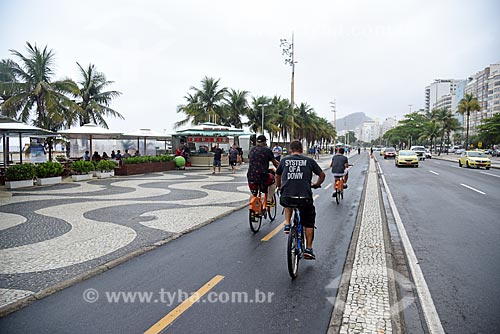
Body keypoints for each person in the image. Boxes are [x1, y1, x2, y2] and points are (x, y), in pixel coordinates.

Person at [276, 140, 325, 260]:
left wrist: (279, 186)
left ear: (290, 150)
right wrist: (316, 184)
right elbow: (322, 174)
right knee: (308, 222)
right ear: (301, 150)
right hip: (305, 198)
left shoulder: (284, 160)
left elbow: (277, 175)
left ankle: (287, 224)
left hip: (287, 197)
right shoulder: (309, 161)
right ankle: (308, 249)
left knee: (287, 198)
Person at [247, 135, 279, 202]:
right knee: (274, 180)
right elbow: (275, 163)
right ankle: (269, 200)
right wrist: (281, 169)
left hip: (250, 177)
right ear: (264, 142)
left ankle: (254, 207)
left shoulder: (252, 150)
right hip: (263, 176)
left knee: (254, 194)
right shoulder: (267, 150)